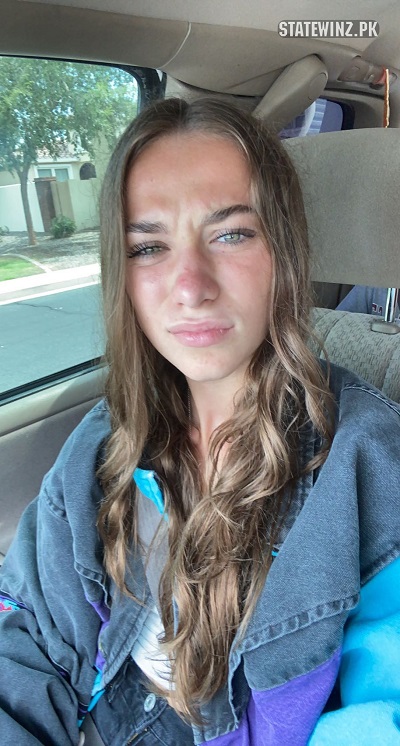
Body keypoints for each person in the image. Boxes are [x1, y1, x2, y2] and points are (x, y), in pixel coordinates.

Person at [0, 97, 399, 746]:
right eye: (149, 246)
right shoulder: (103, 441)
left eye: (231, 233)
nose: (190, 286)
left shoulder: (372, 467)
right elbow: (22, 648)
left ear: (283, 250)